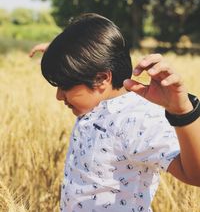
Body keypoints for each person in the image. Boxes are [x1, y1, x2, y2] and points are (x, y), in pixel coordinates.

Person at [30, 13, 200, 212]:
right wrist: (60, 55)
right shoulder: (93, 102)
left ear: (102, 78)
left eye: (65, 86)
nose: (59, 96)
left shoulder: (136, 119)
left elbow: (195, 175)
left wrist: (182, 112)